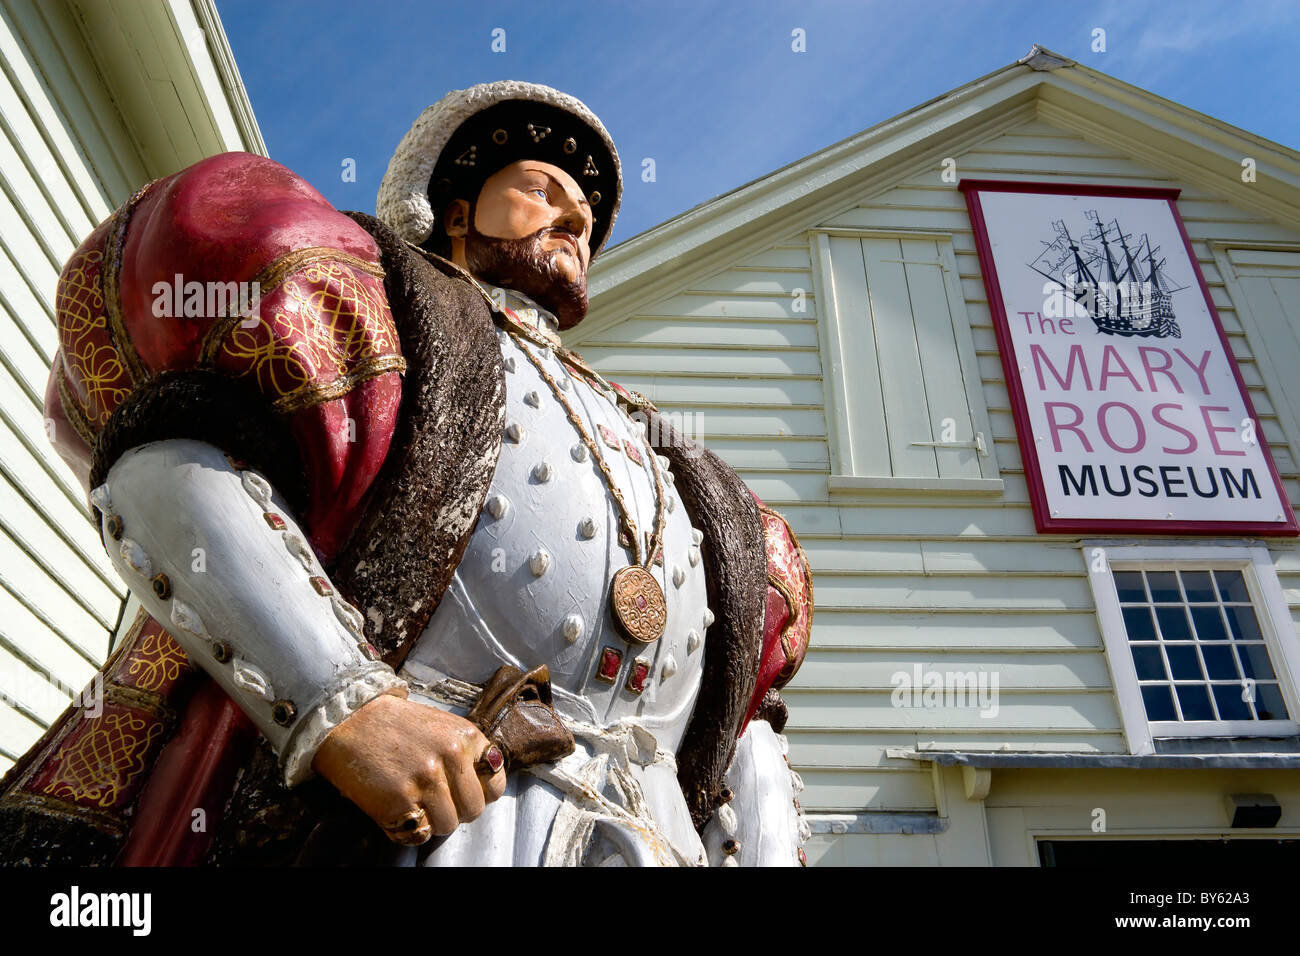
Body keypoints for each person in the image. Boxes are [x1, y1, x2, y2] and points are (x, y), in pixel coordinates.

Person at [0, 81, 812, 866]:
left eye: (585, 213)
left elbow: (746, 718)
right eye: (542, 190)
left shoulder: (659, 442)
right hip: (442, 823)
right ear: (456, 213)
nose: (575, 216)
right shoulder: (379, 307)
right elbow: (169, 462)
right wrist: (346, 706)